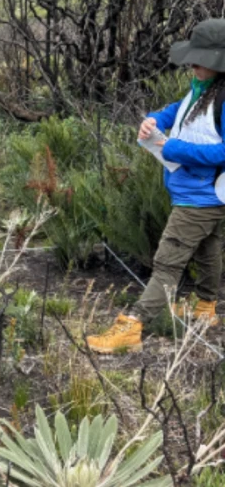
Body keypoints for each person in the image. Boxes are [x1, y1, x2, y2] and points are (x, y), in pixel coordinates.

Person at [87, 19, 225, 354]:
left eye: (201, 58)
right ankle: (207, 310)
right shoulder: (202, 89)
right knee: (208, 250)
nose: (192, 64)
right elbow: (177, 112)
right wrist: (155, 120)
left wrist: (173, 148)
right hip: (203, 193)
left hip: (202, 197)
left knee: (168, 261)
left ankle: (133, 326)